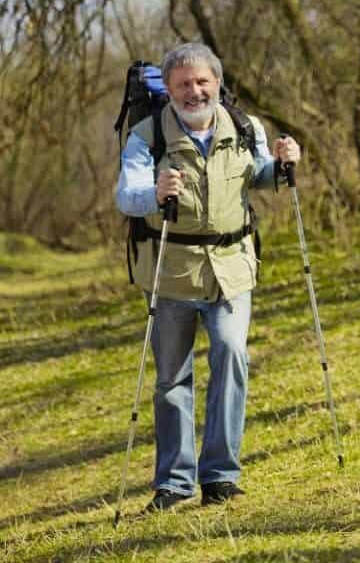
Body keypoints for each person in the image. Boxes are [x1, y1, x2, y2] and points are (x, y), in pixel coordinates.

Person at [115, 42, 300, 512]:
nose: (194, 91)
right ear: (170, 90)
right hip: (171, 271)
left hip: (232, 267)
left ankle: (220, 475)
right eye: (183, 84)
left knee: (232, 355)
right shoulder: (146, 135)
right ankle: (174, 483)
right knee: (172, 378)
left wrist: (281, 164)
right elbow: (126, 195)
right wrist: (154, 193)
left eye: (202, 82)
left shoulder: (244, 125)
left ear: (217, 83)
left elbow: (257, 175)